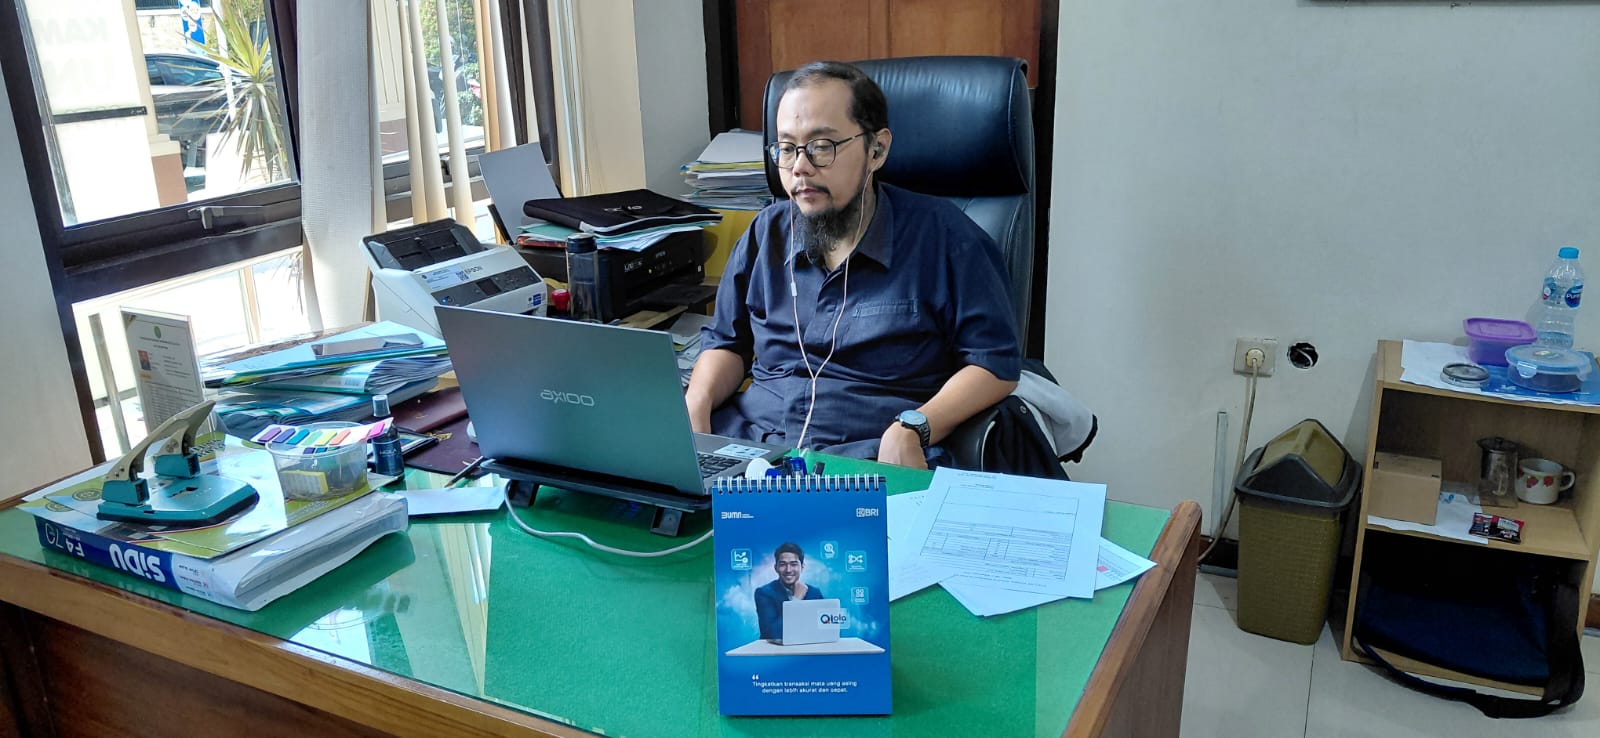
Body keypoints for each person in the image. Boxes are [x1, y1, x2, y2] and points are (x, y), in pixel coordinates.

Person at [685, 61, 1021, 469]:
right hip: (753, 449)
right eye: (787, 148)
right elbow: (726, 343)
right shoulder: (765, 234)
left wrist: (914, 427)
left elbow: (994, 364)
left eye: (821, 145)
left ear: (876, 150)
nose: (799, 167)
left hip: (868, 459)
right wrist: (695, 404)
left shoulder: (947, 239)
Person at [754, 542, 823, 640]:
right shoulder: (764, 593)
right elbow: (771, 634)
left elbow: (826, 629)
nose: (788, 570)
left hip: (808, 647)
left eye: (793, 564)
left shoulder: (814, 593)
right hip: (776, 649)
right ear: (776, 568)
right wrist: (796, 600)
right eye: (783, 564)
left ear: (802, 567)